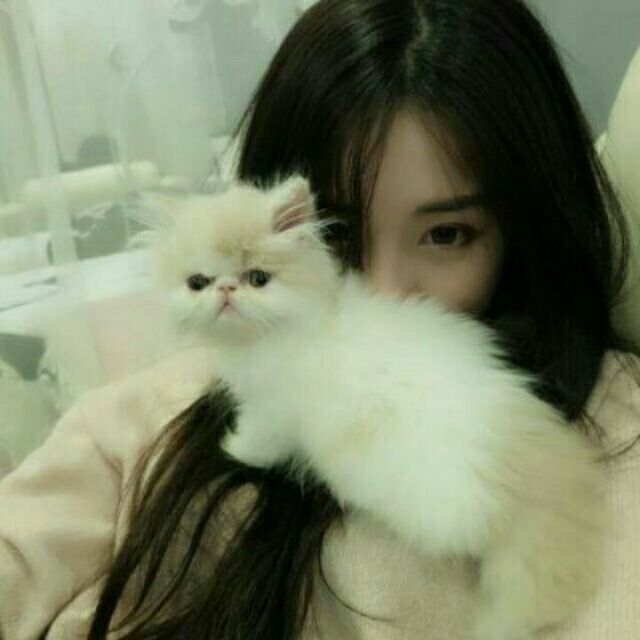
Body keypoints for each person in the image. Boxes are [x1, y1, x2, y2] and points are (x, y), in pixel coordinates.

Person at [1, 0, 640, 638]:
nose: (385, 291)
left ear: (524, 236)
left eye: (446, 234)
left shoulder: (615, 437)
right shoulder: (138, 418)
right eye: (335, 235)